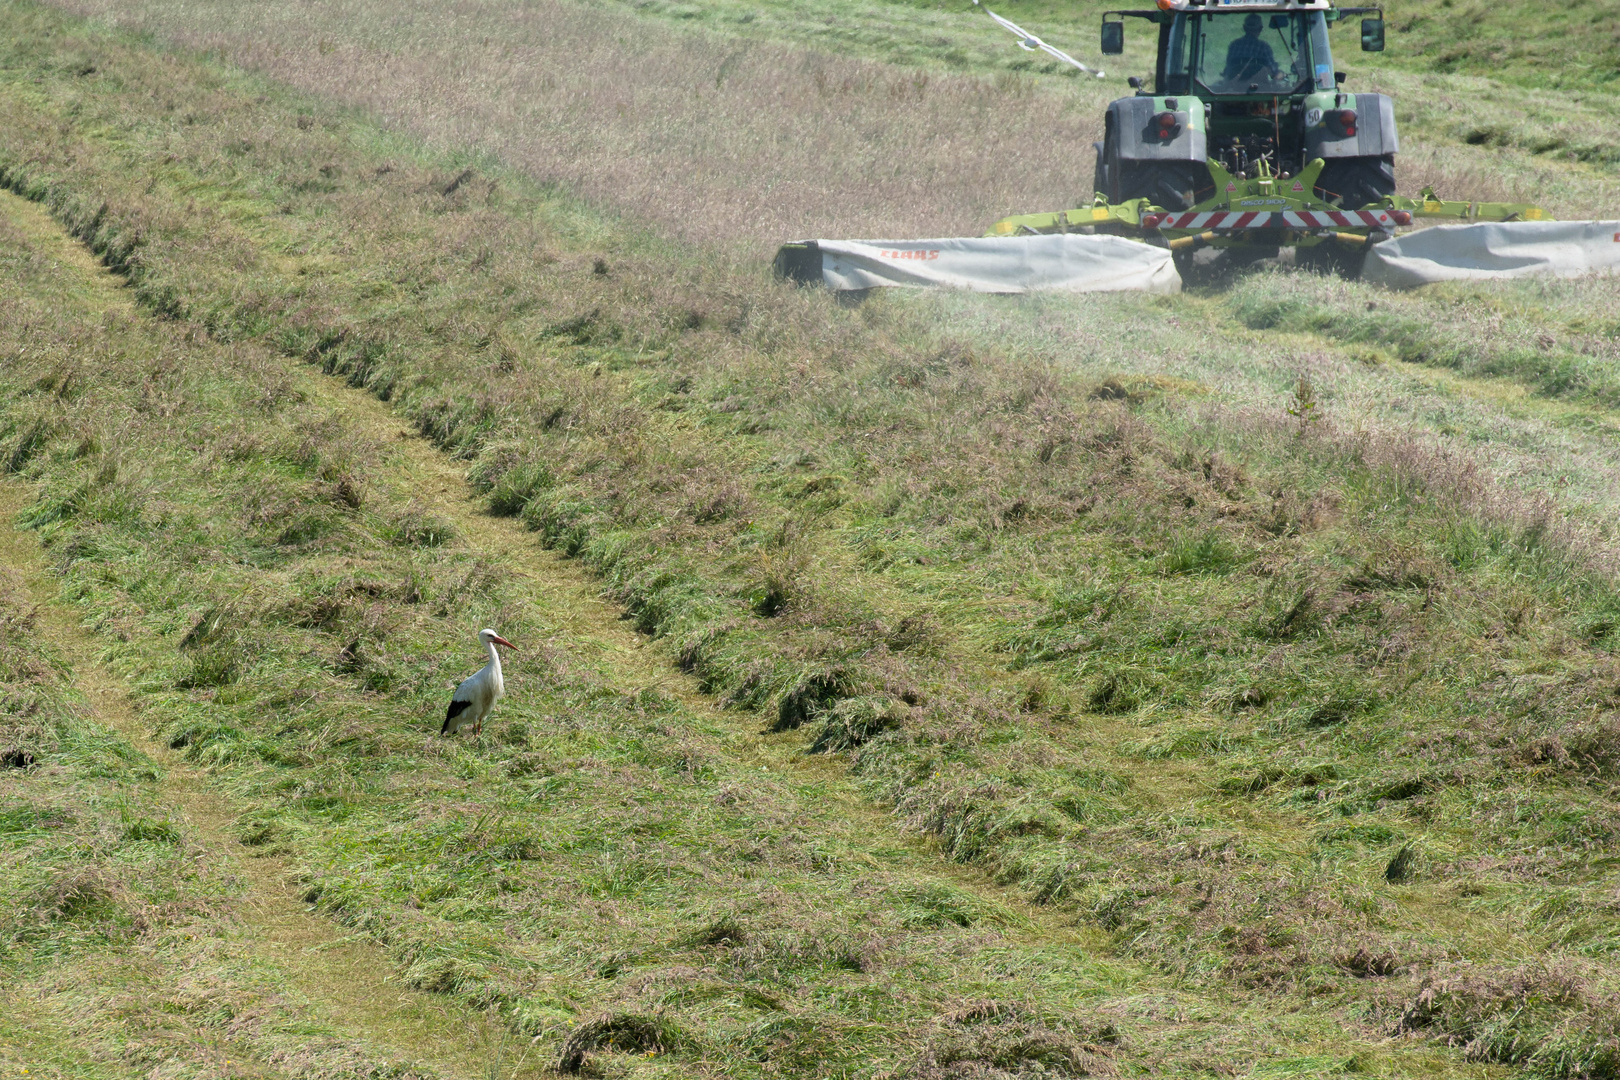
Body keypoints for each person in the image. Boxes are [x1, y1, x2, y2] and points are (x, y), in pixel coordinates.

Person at [1223, 13, 1281, 82]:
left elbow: (1228, 70)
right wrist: (1282, 74)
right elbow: (1273, 72)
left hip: (1234, 89)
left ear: (1244, 28)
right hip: (1261, 89)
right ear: (1260, 29)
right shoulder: (1263, 47)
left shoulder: (1234, 45)